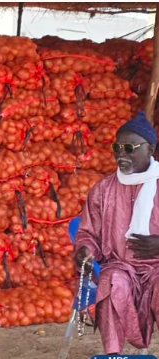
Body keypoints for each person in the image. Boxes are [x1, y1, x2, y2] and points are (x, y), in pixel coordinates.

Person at [74, 110, 159, 355]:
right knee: (111, 282)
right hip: (120, 265)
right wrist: (85, 251)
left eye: (130, 148)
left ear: (150, 150)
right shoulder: (102, 189)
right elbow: (89, 233)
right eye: (117, 147)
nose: (121, 153)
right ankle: (113, 355)